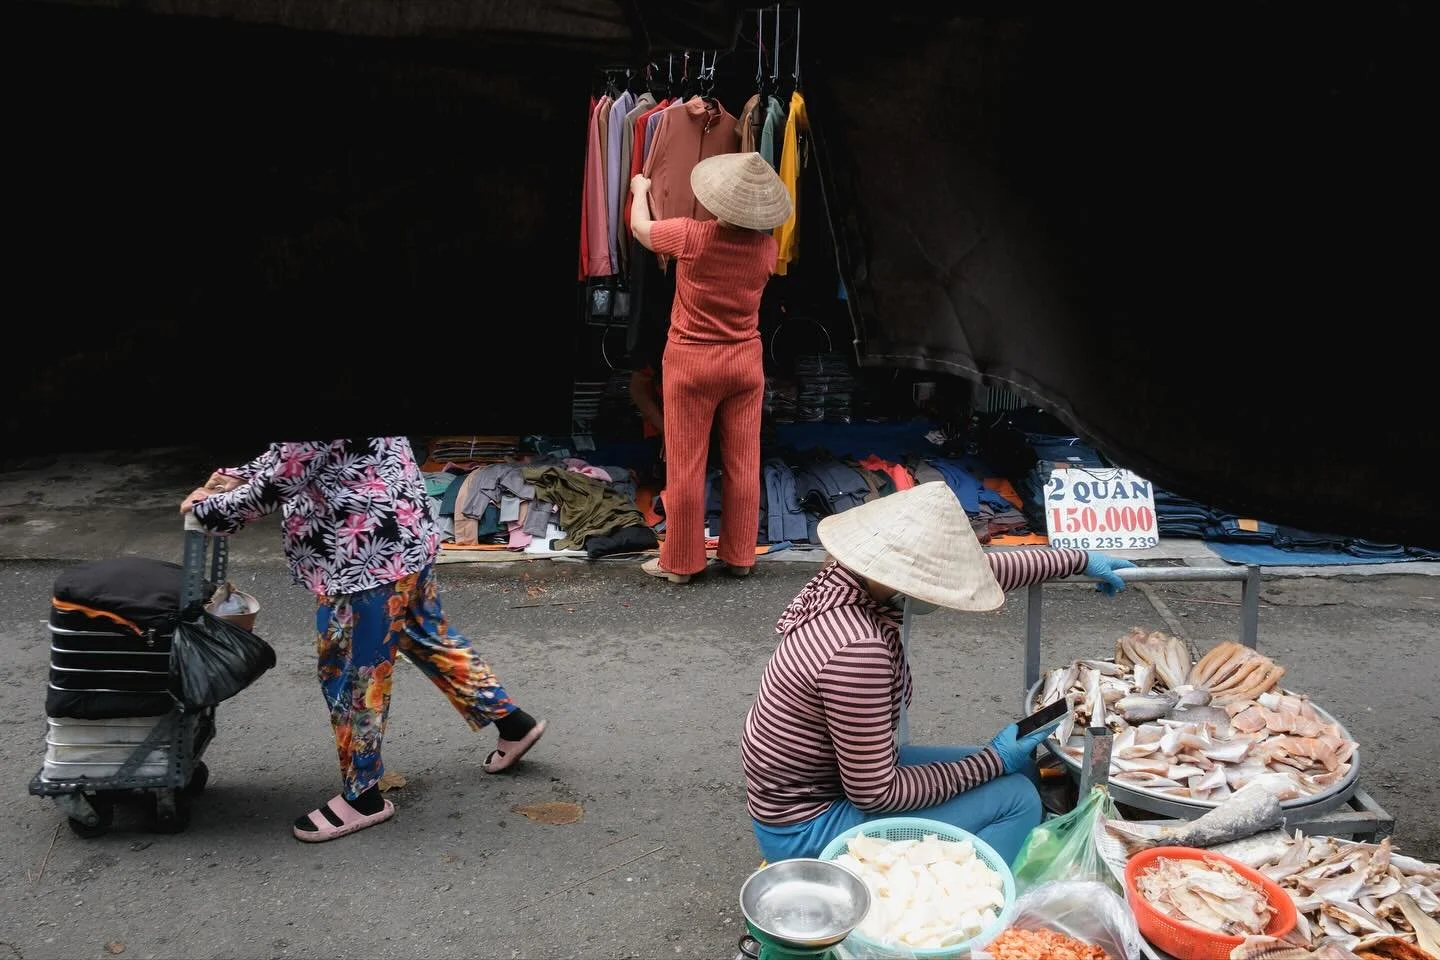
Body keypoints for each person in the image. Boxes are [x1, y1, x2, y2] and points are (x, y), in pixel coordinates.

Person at [741, 481, 1137, 865]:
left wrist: (1077, 559)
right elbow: (877, 793)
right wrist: (993, 761)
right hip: (809, 827)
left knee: (1024, 768)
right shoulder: (858, 652)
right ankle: (966, 910)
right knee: (1018, 799)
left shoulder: (847, 577)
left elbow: (979, 573)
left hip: (832, 784)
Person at [180, 439, 547, 842]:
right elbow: (296, 456)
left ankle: (363, 796)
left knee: (352, 675)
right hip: (403, 536)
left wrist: (207, 510)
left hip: (362, 559)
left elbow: (283, 477)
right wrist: (241, 474)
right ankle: (513, 723)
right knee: (424, 636)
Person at [629, 151, 792, 584]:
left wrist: (640, 190)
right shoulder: (766, 248)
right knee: (743, 462)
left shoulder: (691, 236)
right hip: (743, 365)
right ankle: (740, 557)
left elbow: (640, 230)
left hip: (692, 364)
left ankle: (681, 563)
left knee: (686, 465)